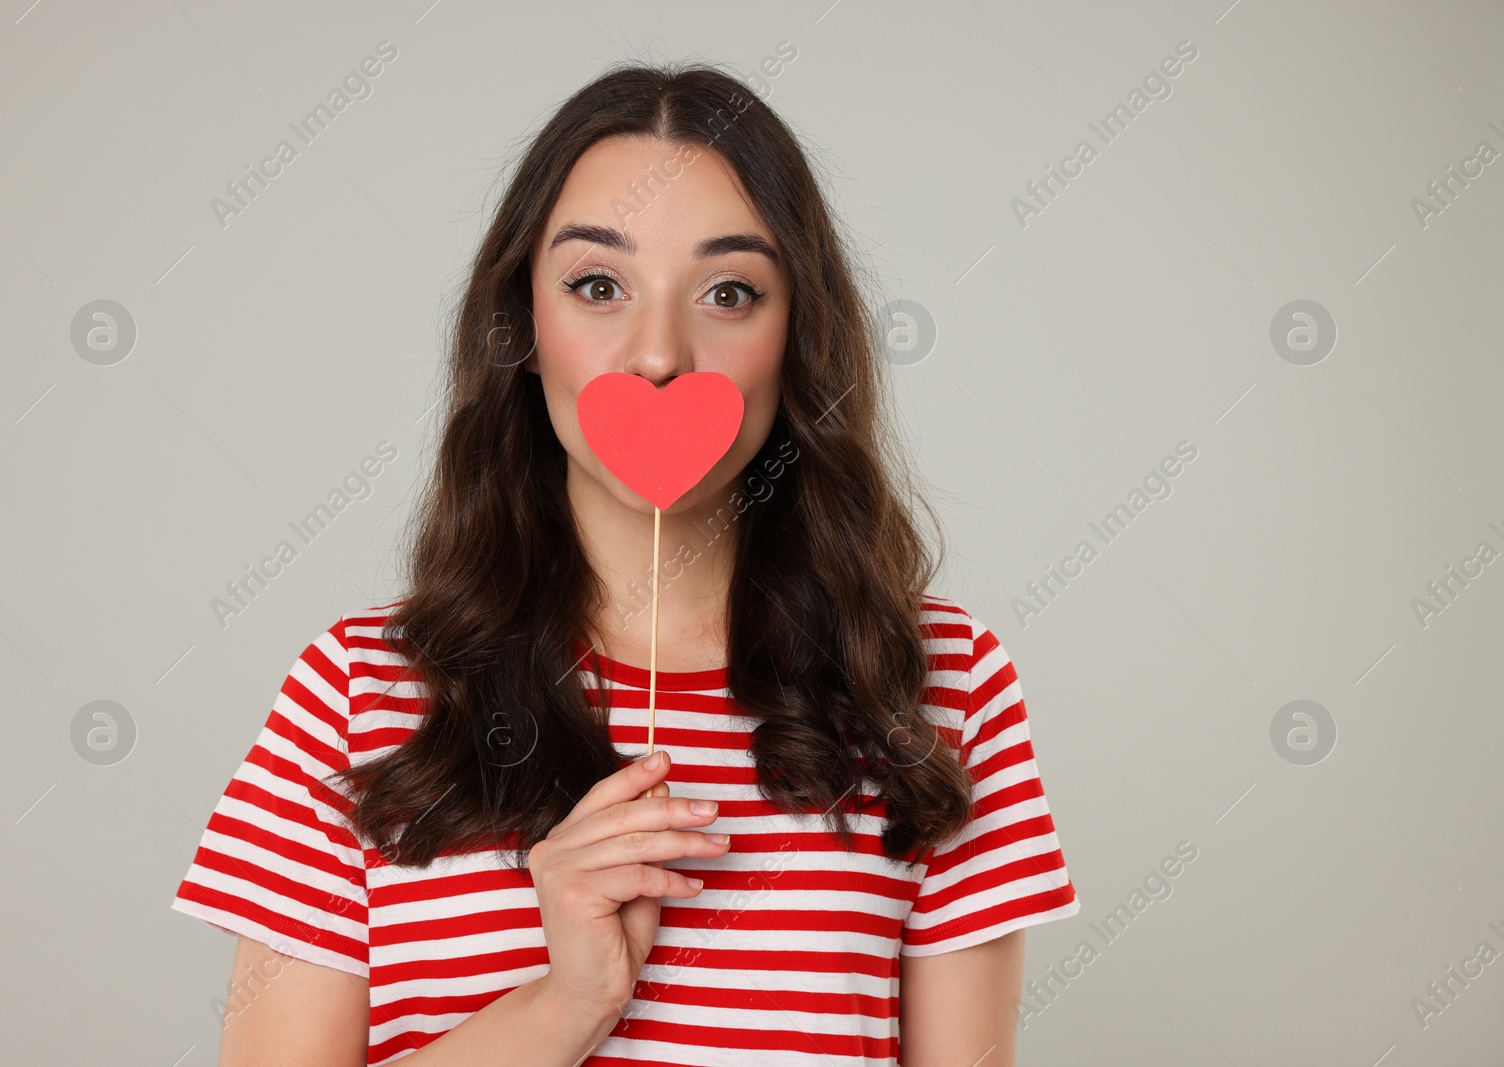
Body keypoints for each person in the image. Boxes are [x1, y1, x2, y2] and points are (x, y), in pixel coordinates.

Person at [170, 60, 1080, 1066]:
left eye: (729, 291)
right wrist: (569, 1001)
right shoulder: (359, 694)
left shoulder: (936, 683)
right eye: (597, 285)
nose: (657, 356)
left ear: (797, 335)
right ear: (520, 329)